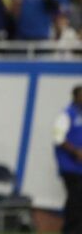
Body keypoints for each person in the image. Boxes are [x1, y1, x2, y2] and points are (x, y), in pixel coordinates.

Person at [53, 85, 82, 233]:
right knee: (75, 198)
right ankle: (70, 229)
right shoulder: (66, 114)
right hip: (69, 166)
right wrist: (76, 151)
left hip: (79, 167)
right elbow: (58, 138)